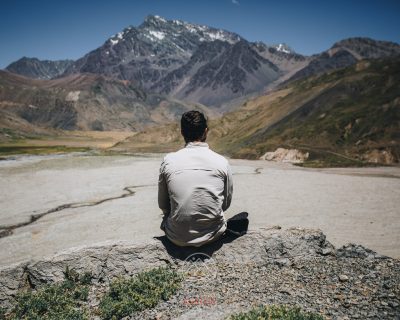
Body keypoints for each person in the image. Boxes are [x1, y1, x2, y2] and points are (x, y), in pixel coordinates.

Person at [158, 110, 246, 247]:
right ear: (206, 131)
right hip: (213, 235)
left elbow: (163, 205)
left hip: (176, 237)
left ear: (182, 132)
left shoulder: (168, 161)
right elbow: (225, 204)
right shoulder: (221, 162)